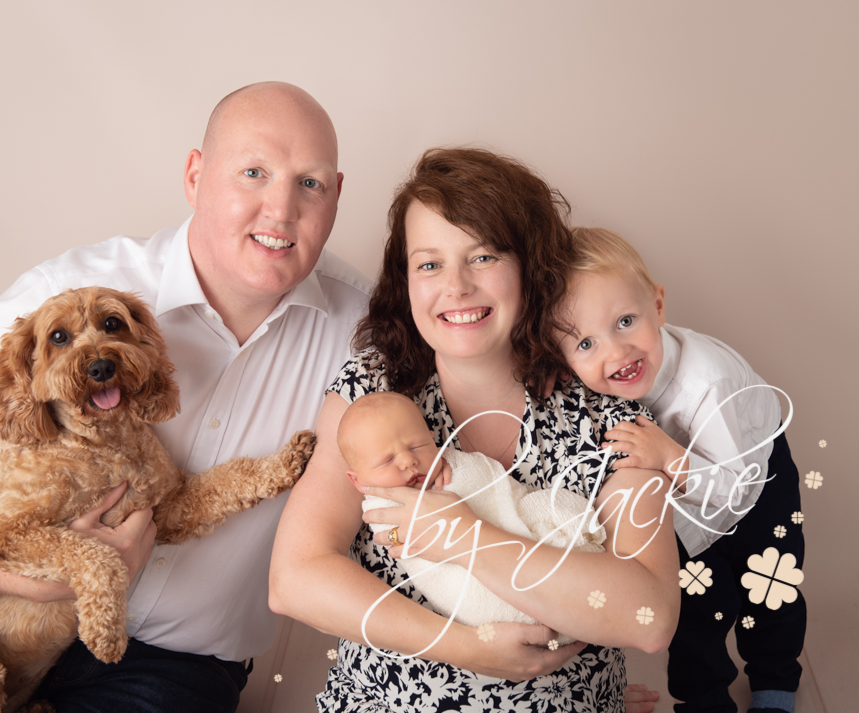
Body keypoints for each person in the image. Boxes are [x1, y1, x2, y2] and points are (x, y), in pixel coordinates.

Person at [0, 82, 372, 712]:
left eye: (309, 184)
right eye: (254, 173)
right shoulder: (66, 302)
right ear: (195, 174)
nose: (281, 209)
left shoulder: (367, 333)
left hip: (174, 668)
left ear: (337, 196)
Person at [270, 147, 681, 713]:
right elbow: (295, 577)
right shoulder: (376, 385)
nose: (456, 287)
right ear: (406, 279)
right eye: (430, 263)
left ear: (532, 266)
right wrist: (463, 646)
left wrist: (462, 536)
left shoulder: (603, 401)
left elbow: (651, 616)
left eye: (483, 256)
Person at [556, 227, 806, 713]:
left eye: (626, 320)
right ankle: (704, 698)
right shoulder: (593, 387)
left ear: (659, 305)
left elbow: (737, 488)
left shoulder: (706, 382)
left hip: (753, 478)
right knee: (691, 609)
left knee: (770, 587)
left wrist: (670, 457)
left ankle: (775, 684)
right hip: (684, 504)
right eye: (585, 343)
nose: (616, 352)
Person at [338, 390, 605, 641]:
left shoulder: (447, 465)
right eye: (386, 461)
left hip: (540, 560)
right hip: (478, 605)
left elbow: (490, 491)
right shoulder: (381, 511)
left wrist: (451, 464)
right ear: (357, 481)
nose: (408, 461)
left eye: (418, 446)